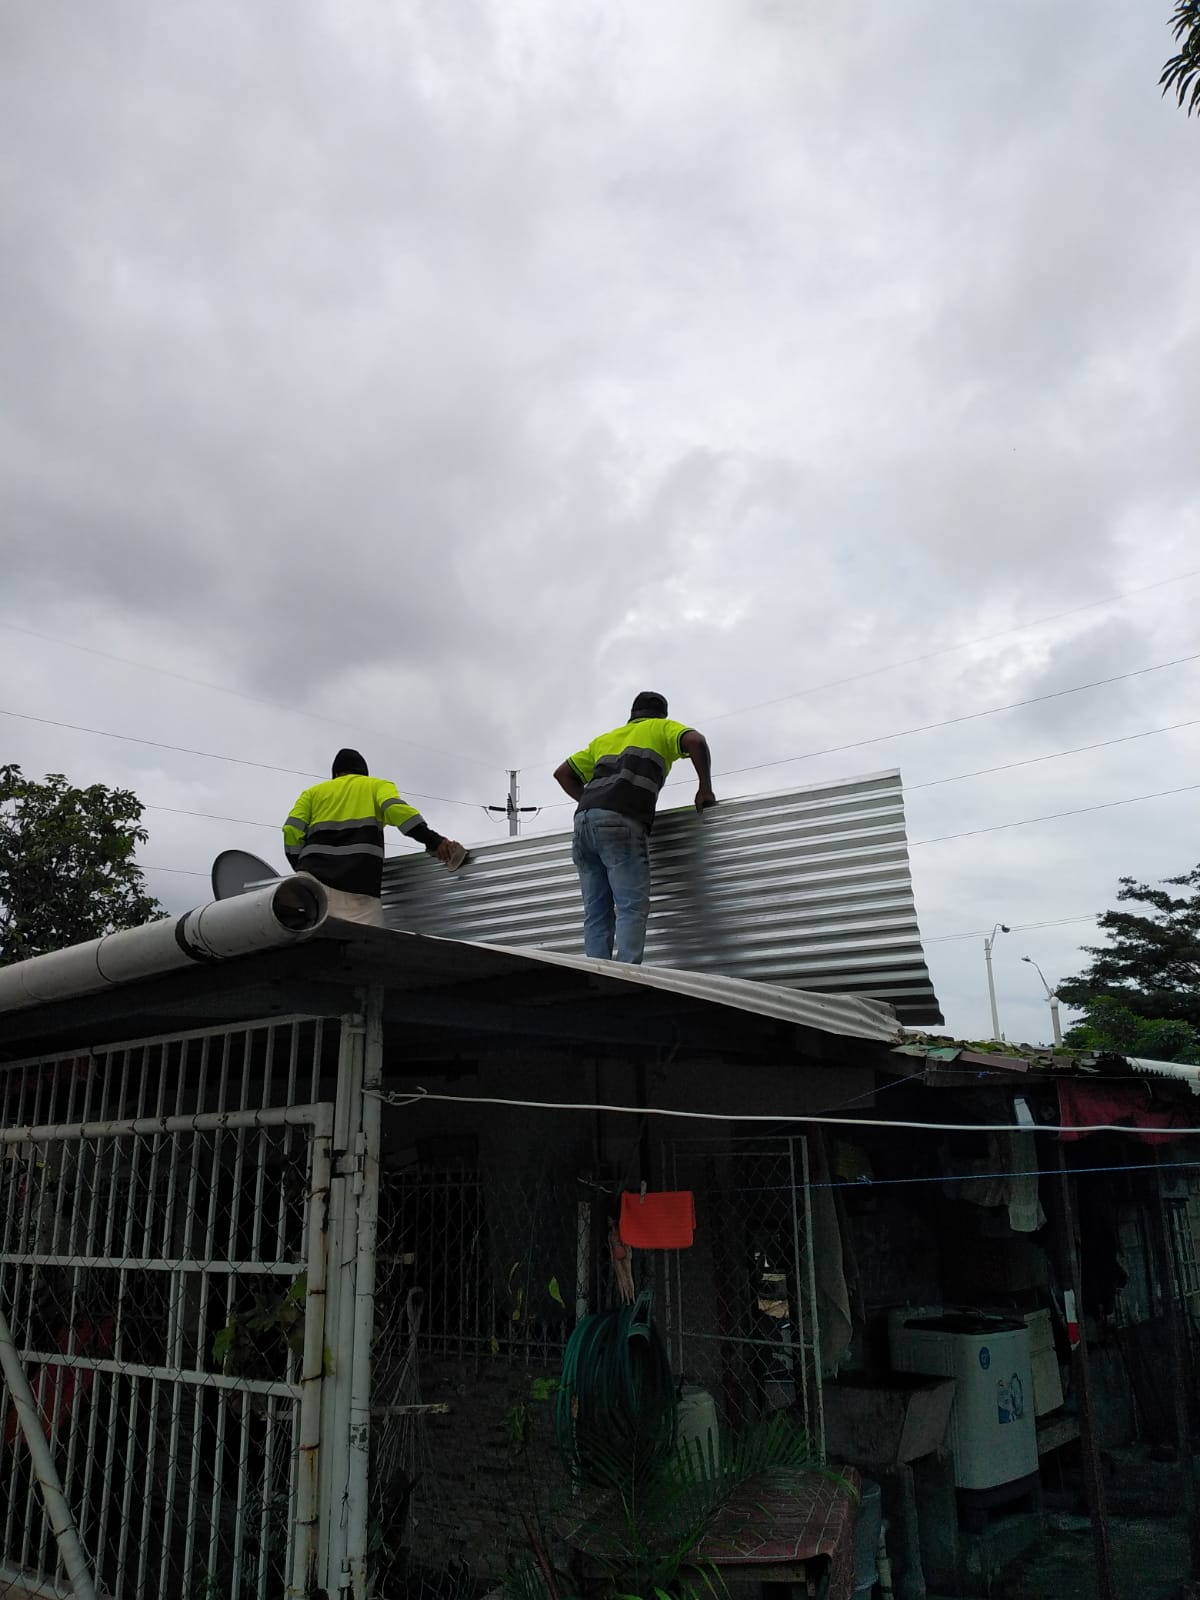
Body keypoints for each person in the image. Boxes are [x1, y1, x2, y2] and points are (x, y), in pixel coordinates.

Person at [553, 692, 715, 964]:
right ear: (661, 714)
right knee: (631, 906)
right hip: (621, 821)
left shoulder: (605, 740)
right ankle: (626, 977)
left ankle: (596, 974)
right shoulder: (662, 727)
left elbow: (562, 773)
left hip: (583, 822)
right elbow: (696, 741)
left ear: (632, 713)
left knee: (597, 911)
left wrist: (593, 801)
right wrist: (705, 789)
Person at [283, 748, 466, 926]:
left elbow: (291, 829)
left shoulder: (312, 793)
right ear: (364, 772)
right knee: (365, 949)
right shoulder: (376, 786)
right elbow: (397, 811)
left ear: (336, 773)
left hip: (311, 883)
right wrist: (434, 841)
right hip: (359, 890)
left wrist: (300, 866)